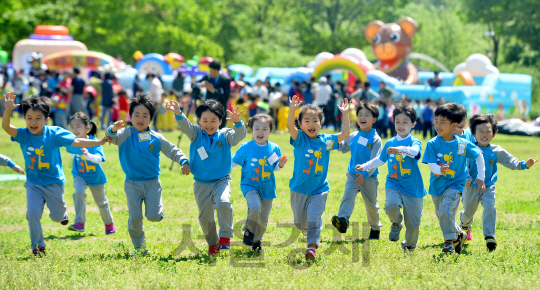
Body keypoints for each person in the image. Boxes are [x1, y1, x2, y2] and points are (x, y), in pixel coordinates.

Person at [2, 93, 110, 256]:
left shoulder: (55, 133)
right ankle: (37, 245)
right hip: (33, 183)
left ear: (46, 120)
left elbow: (77, 141)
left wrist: (98, 142)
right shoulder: (23, 135)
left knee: (57, 217)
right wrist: (8, 111)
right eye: (29, 118)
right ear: (24, 118)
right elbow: (7, 128)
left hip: (54, 183)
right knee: (32, 213)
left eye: (38, 118)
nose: (33, 122)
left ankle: (62, 214)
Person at [106, 94, 190, 255]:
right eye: (136, 114)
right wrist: (113, 129)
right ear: (130, 116)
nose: (140, 118)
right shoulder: (124, 134)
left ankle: (157, 211)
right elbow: (110, 137)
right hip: (132, 184)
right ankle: (139, 247)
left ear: (151, 119)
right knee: (134, 218)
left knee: (154, 216)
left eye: (145, 115)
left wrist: (183, 161)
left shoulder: (156, 137)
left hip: (152, 183)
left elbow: (172, 150)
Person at [166, 99, 246, 255]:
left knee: (223, 202)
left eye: (213, 121)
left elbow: (240, 136)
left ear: (220, 121)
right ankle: (212, 244)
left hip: (221, 180)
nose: (209, 124)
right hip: (201, 183)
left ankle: (225, 237)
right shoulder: (196, 133)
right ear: (199, 121)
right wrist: (178, 113)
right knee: (205, 217)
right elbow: (185, 126)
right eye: (205, 120)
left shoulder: (225, 135)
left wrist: (238, 123)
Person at [356, 103, 427, 253]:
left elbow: (415, 152)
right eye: (397, 121)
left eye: (405, 122)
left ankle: (409, 245)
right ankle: (396, 222)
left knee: (413, 224)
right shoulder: (389, 142)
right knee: (390, 206)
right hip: (394, 183)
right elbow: (380, 160)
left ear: (413, 124)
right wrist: (365, 166)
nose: (400, 125)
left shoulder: (414, 142)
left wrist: (400, 149)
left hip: (413, 187)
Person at [460, 114, 537, 252]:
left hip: (488, 186)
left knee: (490, 207)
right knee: (468, 212)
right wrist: (465, 177)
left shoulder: (496, 150)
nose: (484, 134)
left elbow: (511, 161)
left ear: (494, 133)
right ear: (473, 133)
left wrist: (525, 164)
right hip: (470, 187)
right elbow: (461, 165)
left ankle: (490, 236)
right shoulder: (468, 148)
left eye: (488, 131)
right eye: (481, 131)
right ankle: (464, 227)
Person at [287, 95, 350, 260]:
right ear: (300, 124)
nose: (311, 124)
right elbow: (290, 127)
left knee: (314, 217)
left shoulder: (326, 142)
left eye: (315, 120)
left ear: (320, 124)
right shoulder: (300, 139)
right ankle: (309, 232)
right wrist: (293, 110)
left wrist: (345, 114)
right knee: (300, 223)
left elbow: (345, 134)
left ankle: (312, 247)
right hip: (298, 188)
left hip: (319, 189)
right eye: (306, 121)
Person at [422, 102, 486, 254]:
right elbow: (431, 165)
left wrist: (481, 177)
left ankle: (448, 243)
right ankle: (459, 234)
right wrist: (440, 169)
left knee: (445, 210)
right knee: (442, 214)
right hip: (437, 186)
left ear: (454, 125)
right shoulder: (432, 143)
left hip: (455, 184)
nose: (438, 125)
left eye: (442, 122)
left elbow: (479, 156)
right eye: (436, 121)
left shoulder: (462, 144)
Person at [232, 114, 288, 252]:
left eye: (264, 129)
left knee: (263, 220)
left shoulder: (274, 148)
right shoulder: (246, 147)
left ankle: (256, 242)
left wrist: (280, 164)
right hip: (249, 184)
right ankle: (249, 232)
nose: (260, 132)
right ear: (251, 129)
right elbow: (232, 163)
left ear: (270, 131)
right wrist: (218, 169)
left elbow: (274, 167)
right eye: (257, 128)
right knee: (255, 206)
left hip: (267, 187)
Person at [331, 101, 382, 240]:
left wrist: (365, 174)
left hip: (369, 177)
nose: (362, 117)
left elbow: (375, 161)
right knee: (347, 196)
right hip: (353, 175)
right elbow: (342, 147)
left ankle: (375, 228)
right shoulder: (354, 135)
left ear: (374, 119)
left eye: (366, 115)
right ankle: (343, 220)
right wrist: (328, 143)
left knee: (371, 205)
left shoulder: (376, 139)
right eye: (360, 114)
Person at [66, 112, 115, 235]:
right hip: (79, 174)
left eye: (78, 126)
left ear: (87, 127)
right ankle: (79, 223)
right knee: (78, 193)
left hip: (95, 177)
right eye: (72, 127)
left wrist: (88, 156)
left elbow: (100, 159)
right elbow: (72, 153)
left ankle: (109, 224)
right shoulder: (72, 142)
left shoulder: (94, 141)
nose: (74, 129)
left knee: (101, 202)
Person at [200, 60, 231, 128]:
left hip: (220, 111)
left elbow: (226, 97)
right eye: (211, 71)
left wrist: (213, 90)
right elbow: (194, 84)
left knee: (220, 135)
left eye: (214, 72)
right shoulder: (208, 77)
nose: (212, 73)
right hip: (208, 110)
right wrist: (200, 84)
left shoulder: (226, 79)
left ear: (219, 70)